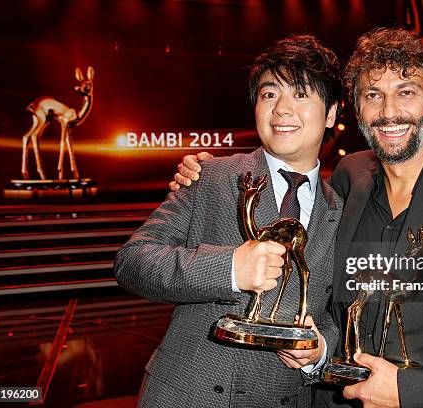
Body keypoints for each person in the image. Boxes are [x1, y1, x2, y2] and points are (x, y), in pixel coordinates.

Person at [171, 27, 423, 408]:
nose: (389, 113)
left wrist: (411, 391)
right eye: (374, 95)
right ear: (356, 107)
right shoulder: (348, 178)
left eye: (406, 92)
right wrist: (205, 171)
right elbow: (325, 293)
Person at [115, 34, 343, 408]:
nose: (281, 109)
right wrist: (229, 269)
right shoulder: (210, 177)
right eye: (270, 94)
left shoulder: (341, 209)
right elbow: (132, 262)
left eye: (300, 94)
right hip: (189, 396)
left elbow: (337, 312)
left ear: (331, 112)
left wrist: (319, 352)